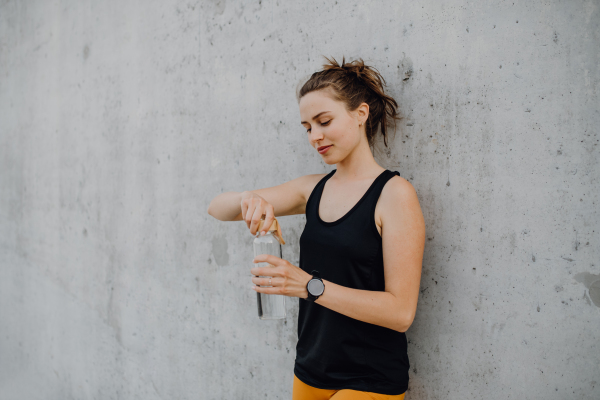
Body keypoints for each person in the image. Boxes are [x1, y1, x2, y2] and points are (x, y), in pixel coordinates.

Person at [207, 56, 425, 399]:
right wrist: (250, 199)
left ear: (360, 114)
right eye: (307, 127)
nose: (315, 136)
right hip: (309, 372)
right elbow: (217, 208)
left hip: (369, 381)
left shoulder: (394, 195)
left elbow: (401, 313)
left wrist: (309, 286)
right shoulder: (312, 189)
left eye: (324, 121)